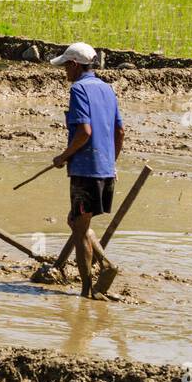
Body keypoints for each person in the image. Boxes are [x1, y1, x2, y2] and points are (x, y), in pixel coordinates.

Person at [50, 41, 124, 299]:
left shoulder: (79, 89)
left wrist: (63, 156)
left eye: (66, 68)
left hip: (85, 171)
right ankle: (105, 263)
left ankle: (87, 290)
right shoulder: (107, 89)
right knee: (76, 221)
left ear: (74, 65)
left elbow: (84, 132)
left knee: (80, 230)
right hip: (105, 169)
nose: (65, 74)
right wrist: (110, 162)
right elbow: (120, 131)